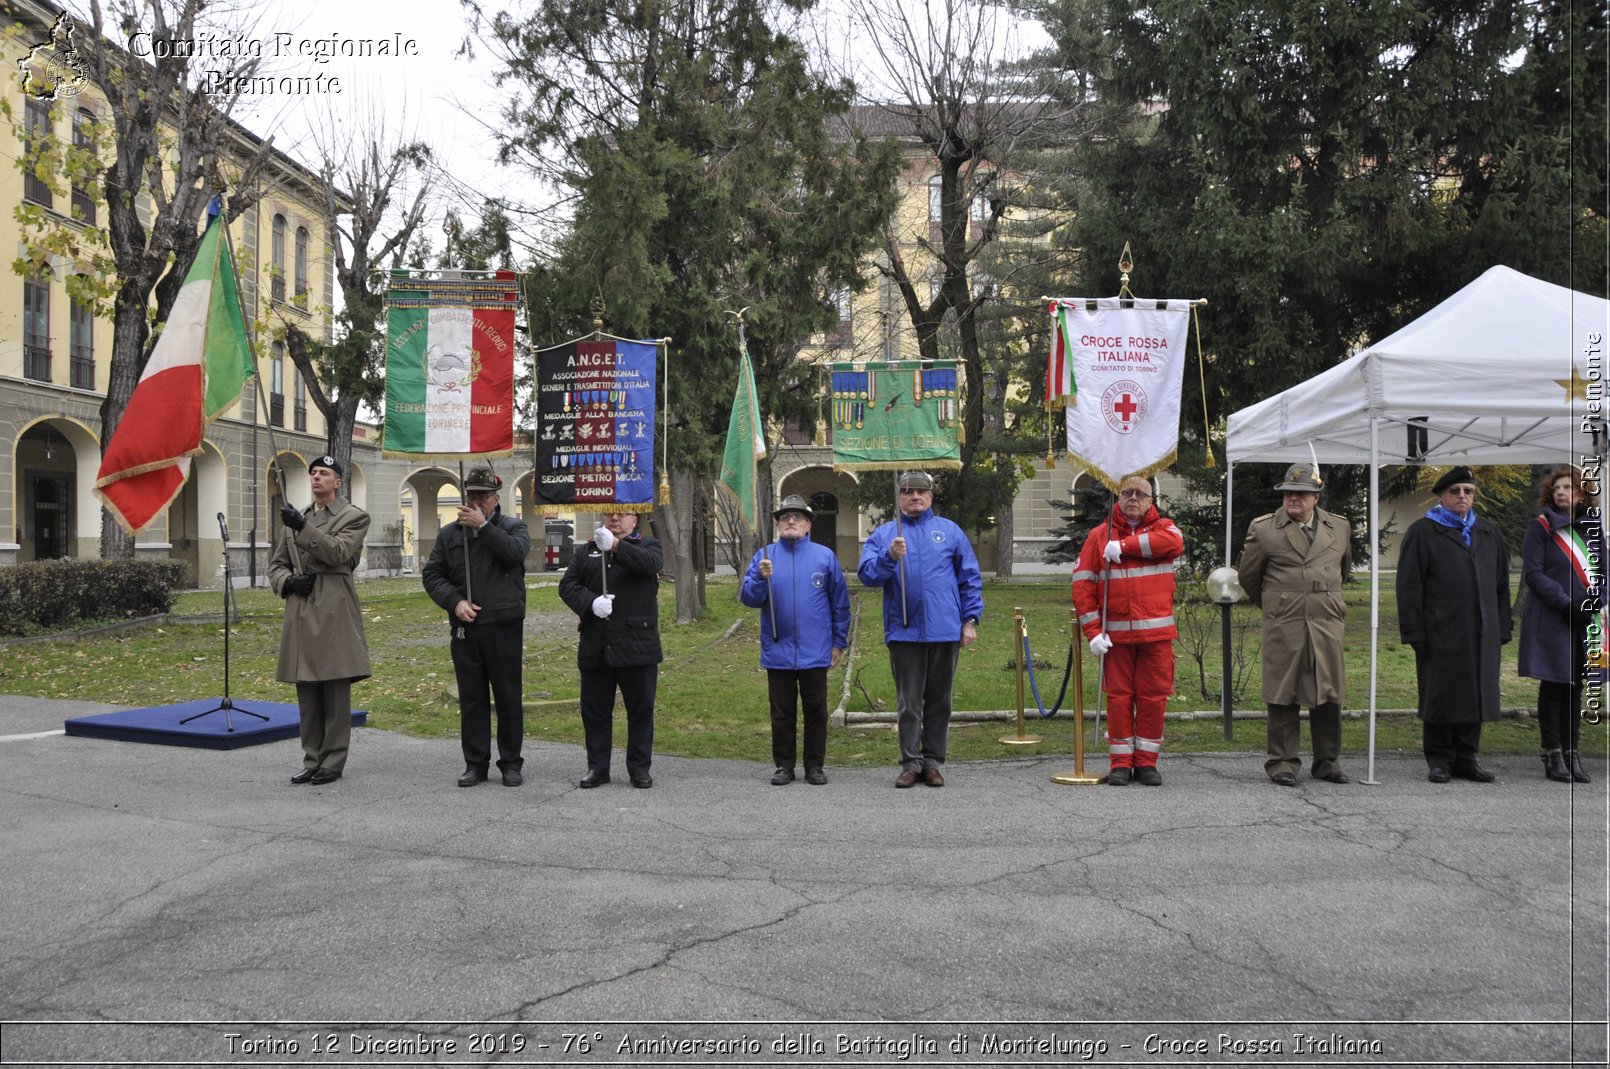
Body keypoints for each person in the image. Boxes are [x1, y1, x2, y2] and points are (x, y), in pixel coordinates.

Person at [858, 471, 983, 788]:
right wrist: (889, 557)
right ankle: (911, 762)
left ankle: (933, 762)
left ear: (931, 497)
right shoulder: (886, 534)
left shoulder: (949, 531)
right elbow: (867, 575)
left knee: (940, 701)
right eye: (908, 491)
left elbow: (969, 578)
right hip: (904, 631)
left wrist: (969, 620)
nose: (915, 496)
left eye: (921, 492)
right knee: (909, 703)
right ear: (899, 496)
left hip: (945, 630)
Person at [1236, 462, 1353, 787]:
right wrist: (1279, 603)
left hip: (1327, 621)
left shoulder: (1339, 527)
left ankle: (1327, 762)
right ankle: (1282, 763)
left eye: (1301, 494)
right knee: (1283, 693)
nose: (1293, 499)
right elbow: (1249, 577)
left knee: (1328, 692)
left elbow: (1342, 570)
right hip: (1284, 622)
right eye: (1288, 493)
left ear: (1316, 497)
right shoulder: (1264, 529)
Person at [1396, 466, 1512, 784]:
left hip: (1481, 631)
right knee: (1441, 695)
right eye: (1455, 491)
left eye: (1468, 491)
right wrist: (1414, 631)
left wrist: (1502, 626)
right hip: (1440, 631)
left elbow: (1501, 585)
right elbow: (1409, 586)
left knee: (1475, 693)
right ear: (1441, 496)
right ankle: (1439, 758)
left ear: (1474, 496)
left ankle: (1466, 757)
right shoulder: (1423, 532)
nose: (1462, 496)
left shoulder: (1488, 532)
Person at [421, 469, 532, 788]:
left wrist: (483, 528)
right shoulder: (450, 534)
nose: (475, 502)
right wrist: (454, 601)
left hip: (503, 625)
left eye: (482, 497)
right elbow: (433, 576)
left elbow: (514, 553)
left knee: (508, 697)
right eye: (471, 496)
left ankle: (511, 762)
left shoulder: (513, 527)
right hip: (466, 628)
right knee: (472, 699)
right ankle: (475, 763)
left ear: (496, 499)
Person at [1072, 474, 1184, 787]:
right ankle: (1121, 763)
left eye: (1141, 494)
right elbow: (1083, 586)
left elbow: (1174, 543)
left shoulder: (1164, 528)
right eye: (1127, 493)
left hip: (1155, 637)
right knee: (1119, 699)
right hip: (1115, 638)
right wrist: (1093, 633)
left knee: (1153, 699)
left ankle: (1147, 763)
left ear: (1151, 501)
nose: (1133, 498)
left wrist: (1123, 546)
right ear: (1118, 498)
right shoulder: (1098, 536)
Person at [271, 455, 371, 786]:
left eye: (323, 473)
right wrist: (287, 582)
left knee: (335, 688)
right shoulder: (298, 516)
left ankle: (334, 760)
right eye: (313, 473)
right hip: (302, 605)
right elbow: (276, 564)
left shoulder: (353, 516)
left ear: (338, 482)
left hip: (334, 605)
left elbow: (339, 553)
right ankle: (311, 759)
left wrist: (302, 528)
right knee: (307, 689)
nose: (316, 477)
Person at [740, 495, 851, 786]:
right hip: (778, 649)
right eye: (785, 517)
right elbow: (749, 599)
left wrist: (838, 642)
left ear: (808, 525)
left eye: (798, 517)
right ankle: (784, 766)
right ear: (777, 524)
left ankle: (814, 766)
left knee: (816, 711)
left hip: (816, 651)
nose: (791, 521)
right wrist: (759, 579)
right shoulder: (765, 556)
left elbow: (840, 604)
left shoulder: (824, 557)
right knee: (782, 713)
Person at [558, 510, 663, 788]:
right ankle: (598, 767)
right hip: (597, 643)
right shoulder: (587, 552)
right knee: (595, 712)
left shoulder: (648, 545)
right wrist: (591, 603)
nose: (614, 519)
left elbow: (649, 565)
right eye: (609, 514)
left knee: (640, 711)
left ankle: (639, 767)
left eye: (622, 514)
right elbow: (567, 586)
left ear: (635, 520)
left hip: (637, 645)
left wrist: (616, 546)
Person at [1518, 466, 1599, 784]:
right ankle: (1552, 754)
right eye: (1557, 488)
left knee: (1577, 685)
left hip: (1585, 620)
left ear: (1582, 493)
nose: (1561, 492)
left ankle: (1571, 753)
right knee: (1554, 683)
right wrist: (1566, 603)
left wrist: (1593, 603)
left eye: (1568, 488)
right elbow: (1534, 573)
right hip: (1552, 616)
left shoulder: (1593, 527)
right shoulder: (1540, 527)